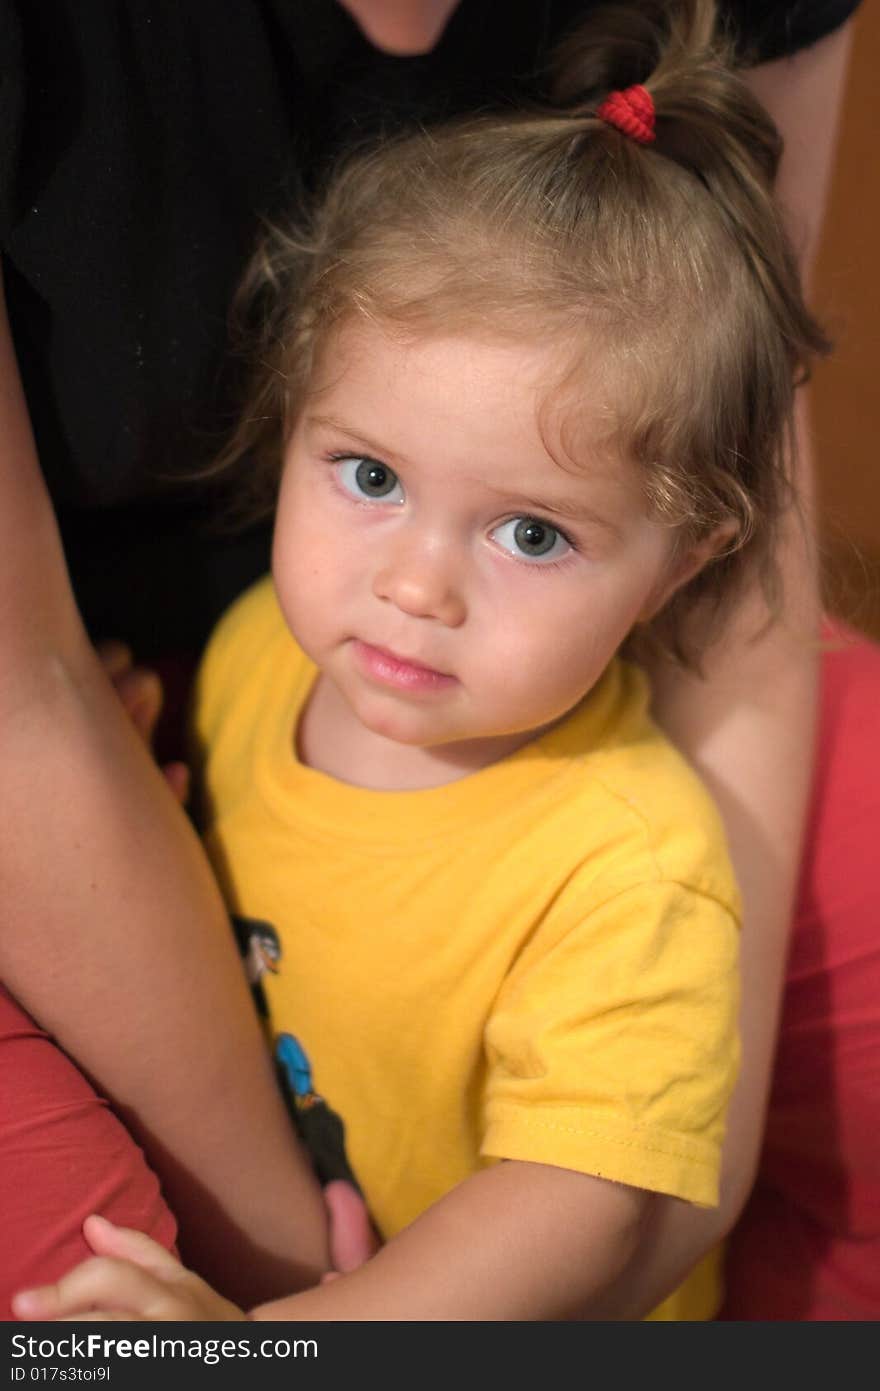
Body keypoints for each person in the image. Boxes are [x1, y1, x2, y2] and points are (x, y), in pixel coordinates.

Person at [1, 0, 873, 1322]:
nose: (416, 585)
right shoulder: (258, 660)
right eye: (367, 476)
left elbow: (577, 1211)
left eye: (531, 531)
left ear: (686, 561)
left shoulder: (631, 873)